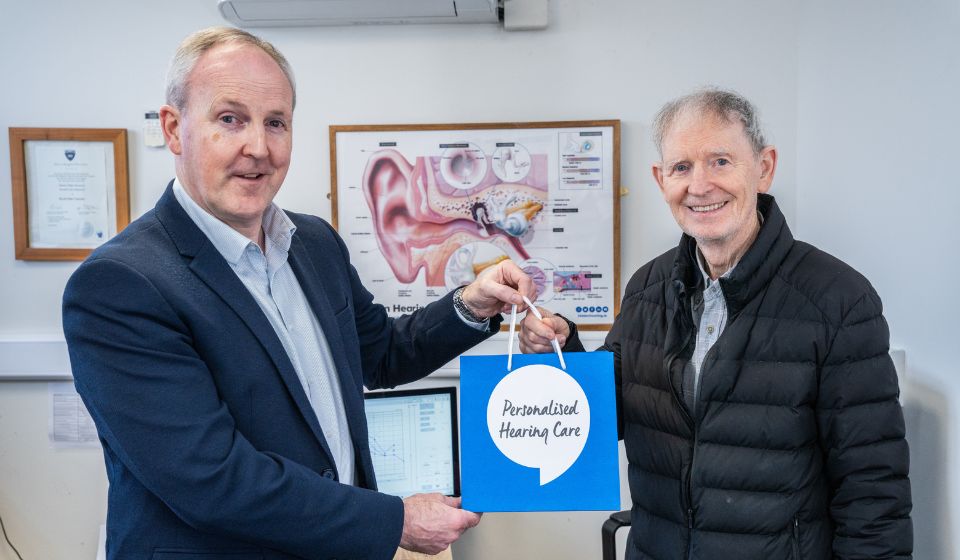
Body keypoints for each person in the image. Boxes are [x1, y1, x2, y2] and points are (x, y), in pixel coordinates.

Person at [62, 27, 534, 560]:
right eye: (230, 119)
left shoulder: (312, 243)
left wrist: (470, 305)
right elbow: (211, 480)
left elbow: (377, 355)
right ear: (175, 129)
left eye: (276, 123)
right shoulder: (120, 285)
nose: (258, 148)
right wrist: (394, 519)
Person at [520, 89, 912, 559]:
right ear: (660, 179)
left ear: (764, 168)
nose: (700, 185)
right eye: (681, 167)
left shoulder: (839, 301)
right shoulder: (647, 288)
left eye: (721, 161)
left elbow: (872, 489)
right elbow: (613, 415)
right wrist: (562, 351)